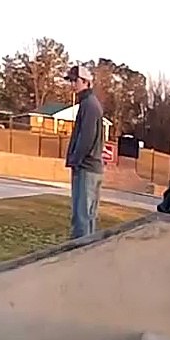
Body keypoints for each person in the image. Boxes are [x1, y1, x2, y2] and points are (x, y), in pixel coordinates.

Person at [64, 63, 106, 238]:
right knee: (87, 217)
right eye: (71, 81)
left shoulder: (89, 105)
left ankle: (79, 255)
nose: (73, 85)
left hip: (86, 167)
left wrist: (75, 160)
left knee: (82, 218)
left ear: (86, 82)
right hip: (90, 167)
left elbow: (87, 137)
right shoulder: (89, 104)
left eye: (76, 81)